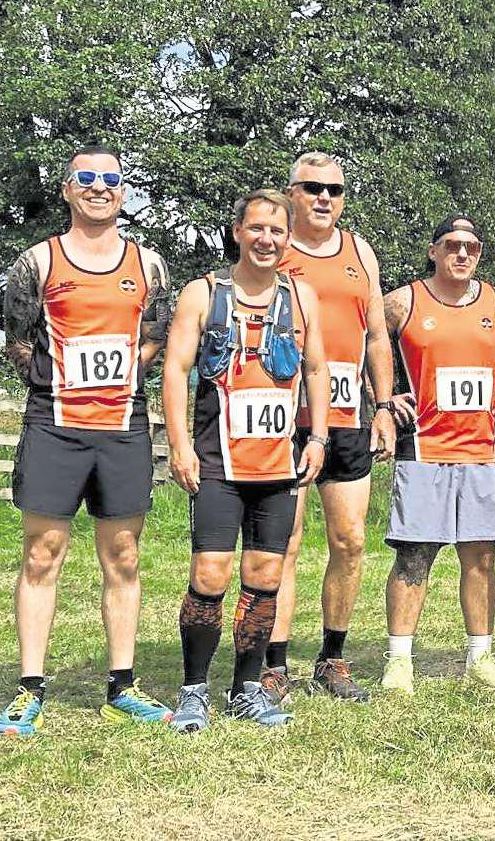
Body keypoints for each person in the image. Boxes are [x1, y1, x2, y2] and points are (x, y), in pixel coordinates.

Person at [0, 145, 173, 736]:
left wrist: (124, 376)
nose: (100, 188)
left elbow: (155, 336)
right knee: (43, 554)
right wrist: (56, 386)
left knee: (123, 555)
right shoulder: (36, 262)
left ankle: (123, 683)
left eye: (111, 180)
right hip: (55, 426)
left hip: (122, 427)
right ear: (67, 190)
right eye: (86, 179)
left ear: (124, 191)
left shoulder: (149, 264)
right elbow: (18, 339)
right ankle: (29, 688)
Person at [163, 189, 329, 730]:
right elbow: (174, 369)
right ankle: (193, 688)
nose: (267, 239)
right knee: (210, 574)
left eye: (277, 231)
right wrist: (179, 444)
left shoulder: (301, 298)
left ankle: (245, 688)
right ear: (237, 231)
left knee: (265, 575)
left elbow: (317, 371)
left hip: (279, 467)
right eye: (257, 228)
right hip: (218, 463)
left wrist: (318, 437)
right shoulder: (203, 294)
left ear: (288, 237)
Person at [260, 153, 396, 703]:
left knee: (351, 539)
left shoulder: (361, 250)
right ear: (292, 193)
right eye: (312, 188)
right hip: (283, 418)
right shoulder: (273, 247)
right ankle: (274, 663)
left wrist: (383, 404)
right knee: (284, 542)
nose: (324, 199)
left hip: (346, 416)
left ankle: (332, 659)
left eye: (335, 191)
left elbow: (378, 336)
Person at [379, 214, 495, 695]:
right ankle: (399, 660)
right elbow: (356, 344)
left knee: (480, 557)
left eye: (472, 247)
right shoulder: (404, 301)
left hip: (483, 449)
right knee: (414, 555)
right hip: (423, 447)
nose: (463, 254)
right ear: (433, 250)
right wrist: (380, 398)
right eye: (452, 245)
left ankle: (480, 657)